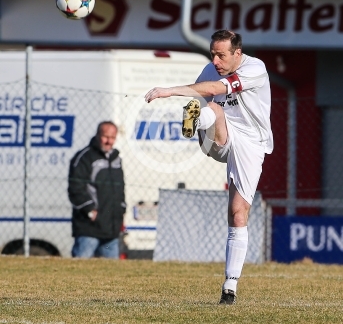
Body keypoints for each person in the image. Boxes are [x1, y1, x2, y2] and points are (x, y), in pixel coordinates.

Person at [145, 30, 273, 304]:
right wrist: (193, 103)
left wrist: (168, 91)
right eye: (212, 54)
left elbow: (216, 88)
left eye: (221, 55)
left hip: (251, 142)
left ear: (237, 53)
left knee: (238, 212)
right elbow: (204, 92)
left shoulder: (255, 68)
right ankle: (195, 124)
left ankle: (229, 288)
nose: (215, 61)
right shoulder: (210, 68)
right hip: (220, 136)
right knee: (213, 110)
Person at [68, 121, 126, 259]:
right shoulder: (84, 158)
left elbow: (120, 189)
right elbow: (75, 188)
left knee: (112, 274)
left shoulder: (116, 159)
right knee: (80, 269)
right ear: (97, 135)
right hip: (89, 228)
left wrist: (121, 209)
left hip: (111, 230)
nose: (108, 142)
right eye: (105, 137)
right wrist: (90, 211)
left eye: (112, 138)